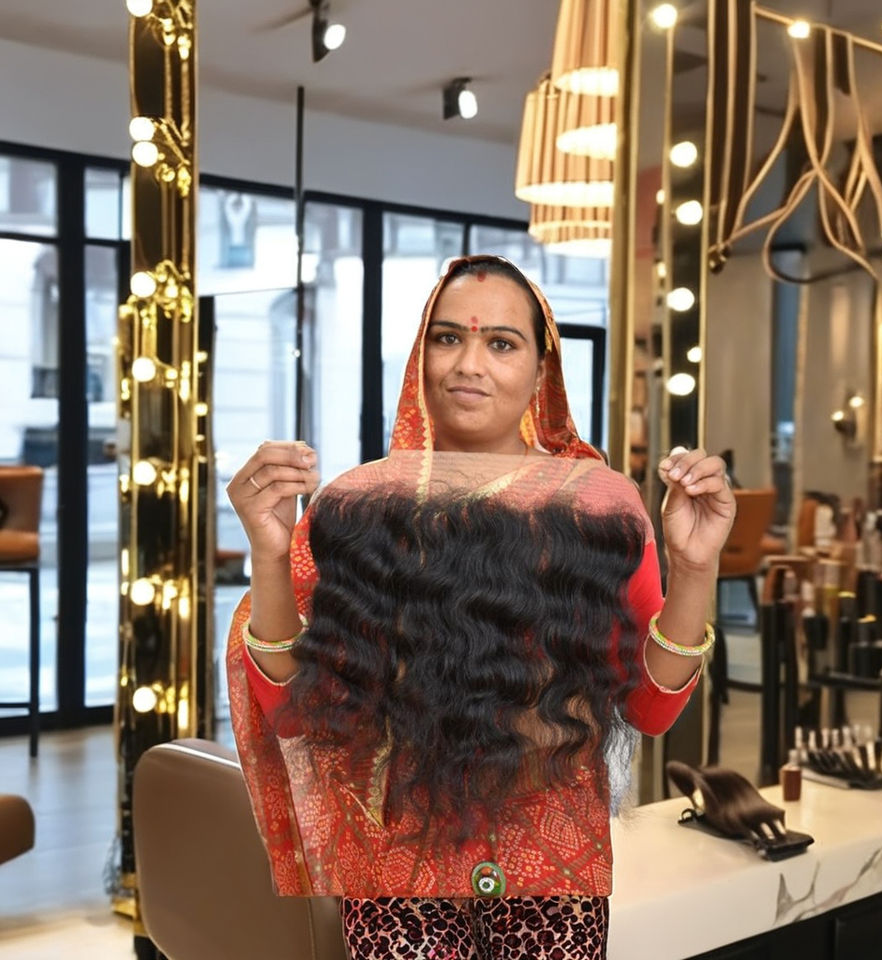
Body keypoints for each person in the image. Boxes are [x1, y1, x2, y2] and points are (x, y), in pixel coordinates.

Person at [226, 254, 735, 959]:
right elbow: (295, 713)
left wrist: (695, 568)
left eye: (501, 343)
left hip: (553, 859)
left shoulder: (596, 507)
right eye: (447, 338)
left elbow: (648, 711)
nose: (469, 364)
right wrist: (268, 553)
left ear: (541, 369)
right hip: (394, 860)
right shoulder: (356, 508)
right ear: (420, 354)